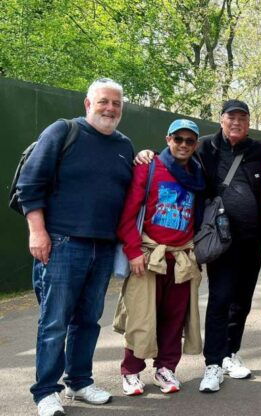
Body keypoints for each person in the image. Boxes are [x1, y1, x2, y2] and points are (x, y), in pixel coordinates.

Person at [16, 78, 133, 416]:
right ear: (88, 104)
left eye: (116, 104)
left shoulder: (124, 144)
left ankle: (79, 382)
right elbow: (30, 184)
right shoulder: (62, 131)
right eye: (103, 102)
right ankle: (45, 392)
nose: (110, 108)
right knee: (54, 321)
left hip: (103, 247)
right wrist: (37, 232)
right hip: (63, 244)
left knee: (88, 320)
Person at [113, 119, 205, 396]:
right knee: (141, 317)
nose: (184, 145)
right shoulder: (149, 166)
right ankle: (131, 371)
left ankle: (166, 368)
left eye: (190, 141)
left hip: (182, 258)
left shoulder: (198, 174)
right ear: (168, 139)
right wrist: (132, 252)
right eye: (179, 139)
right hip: (149, 256)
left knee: (174, 319)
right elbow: (128, 215)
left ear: (196, 145)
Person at [194, 100, 261, 392]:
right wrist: (148, 155)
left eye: (242, 117)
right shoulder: (205, 148)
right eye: (231, 117)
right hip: (220, 240)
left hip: (251, 241)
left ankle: (230, 354)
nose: (236, 122)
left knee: (242, 300)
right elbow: (174, 159)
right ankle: (212, 363)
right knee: (220, 299)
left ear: (249, 122)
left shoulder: (260, 151)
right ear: (221, 120)